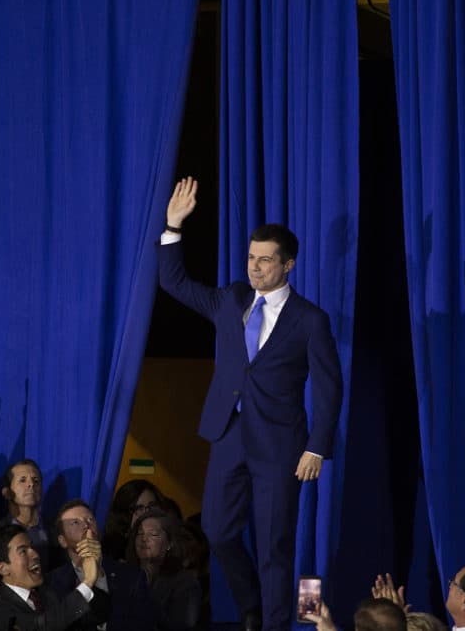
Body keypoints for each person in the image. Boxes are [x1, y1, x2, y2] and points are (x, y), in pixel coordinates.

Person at [157, 176, 343, 631]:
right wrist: (173, 227)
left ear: (288, 265)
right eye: (250, 258)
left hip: (282, 445)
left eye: (265, 260)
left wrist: (316, 446)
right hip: (229, 433)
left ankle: (274, 625)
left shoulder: (310, 320)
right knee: (217, 530)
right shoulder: (231, 299)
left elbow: (329, 386)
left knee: (275, 545)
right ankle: (253, 605)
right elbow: (173, 281)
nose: (255, 267)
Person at [0, 525, 109, 630]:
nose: (35, 554)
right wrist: (87, 583)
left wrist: (97, 573)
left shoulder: (49, 592)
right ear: (3, 568)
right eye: (23, 551)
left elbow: (98, 615)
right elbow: (39, 627)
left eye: (32, 547)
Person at [48, 499, 155, 630]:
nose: (86, 525)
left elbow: (144, 625)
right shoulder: (52, 583)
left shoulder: (132, 577)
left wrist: (99, 575)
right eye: (75, 522)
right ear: (62, 541)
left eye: (90, 519)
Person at [126, 509, 201, 631]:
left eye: (153, 534)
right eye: (140, 534)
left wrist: (145, 592)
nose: (144, 539)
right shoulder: (124, 575)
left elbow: (181, 625)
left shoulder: (186, 583)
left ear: (169, 543)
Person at [0, 459, 53, 571]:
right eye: (22, 480)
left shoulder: (53, 529)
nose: (31, 484)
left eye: (36, 480)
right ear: (7, 492)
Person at [102, 480, 166, 562]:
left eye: (151, 507)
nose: (146, 513)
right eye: (139, 508)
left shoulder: (166, 544)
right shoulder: (110, 551)